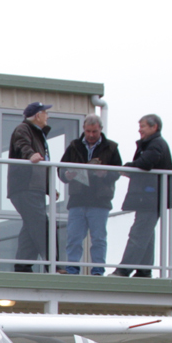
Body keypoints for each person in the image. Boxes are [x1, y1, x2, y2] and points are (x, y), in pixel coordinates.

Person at [58, 114, 122, 274]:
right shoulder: (74, 146)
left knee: (98, 239)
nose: (91, 135)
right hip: (78, 200)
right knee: (73, 238)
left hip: (100, 201)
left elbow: (118, 172)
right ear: (83, 130)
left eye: (94, 131)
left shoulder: (112, 148)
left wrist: (105, 174)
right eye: (88, 131)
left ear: (100, 129)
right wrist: (67, 175)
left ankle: (98, 270)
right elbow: (60, 169)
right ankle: (72, 269)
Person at [113, 114, 172, 277]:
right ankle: (144, 271)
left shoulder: (155, 144)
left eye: (143, 127)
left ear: (154, 127)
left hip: (151, 198)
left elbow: (147, 163)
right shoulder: (154, 144)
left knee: (139, 233)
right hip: (152, 198)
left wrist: (128, 167)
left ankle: (124, 270)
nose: (139, 130)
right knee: (146, 234)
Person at [7, 102, 53, 271]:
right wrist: (30, 154)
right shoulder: (23, 129)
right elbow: (22, 145)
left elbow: (42, 166)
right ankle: (53, 264)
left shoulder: (38, 134)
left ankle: (22, 266)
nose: (47, 116)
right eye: (45, 112)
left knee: (31, 226)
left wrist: (48, 188)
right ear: (38, 115)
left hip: (34, 188)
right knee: (41, 224)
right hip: (25, 187)